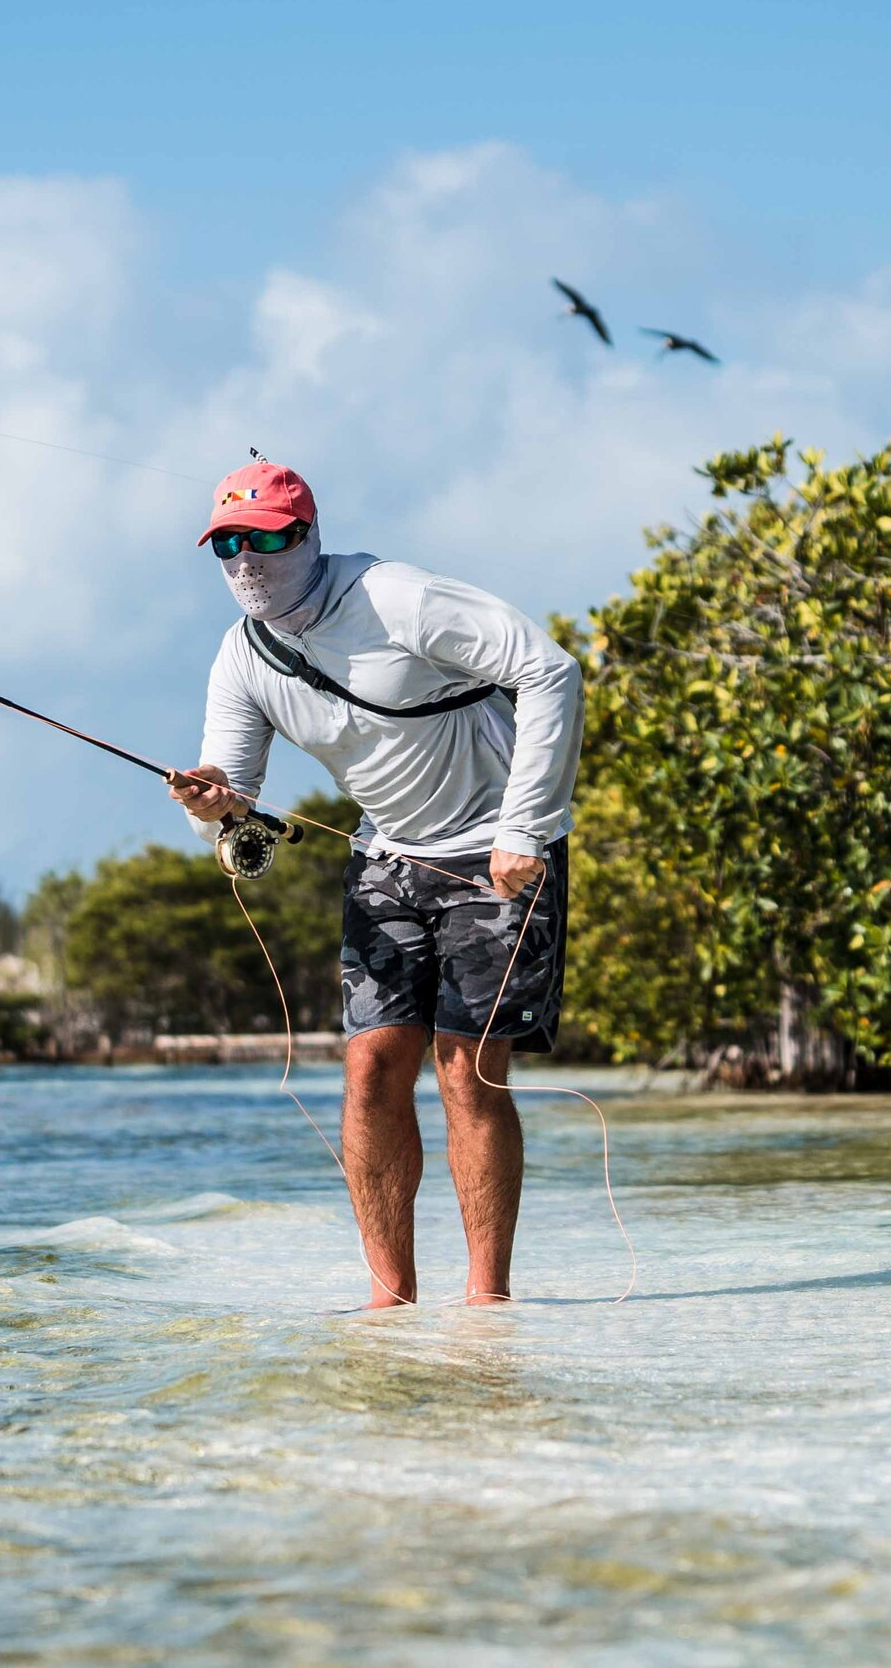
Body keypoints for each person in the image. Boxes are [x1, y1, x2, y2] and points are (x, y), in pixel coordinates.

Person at [168, 459, 582, 1307]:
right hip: (387, 854)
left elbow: (552, 671)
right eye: (228, 545)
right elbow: (232, 793)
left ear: (308, 535)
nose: (248, 560)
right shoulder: (242, 654)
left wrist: (524, 827)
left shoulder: (401, 599)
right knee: (369, 1071)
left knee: (467, 1069)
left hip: (497, 848)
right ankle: (390, 1300)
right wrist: (209, 802)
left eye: (268, 538)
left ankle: (486, 1302)